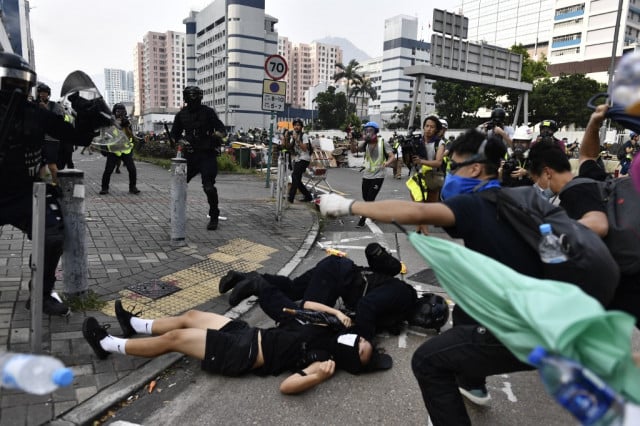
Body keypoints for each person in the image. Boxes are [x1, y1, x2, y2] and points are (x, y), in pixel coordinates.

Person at [316, 129, 615, 425]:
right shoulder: (521, 197)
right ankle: (472, 383)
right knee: (465, 313)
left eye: (453, 167)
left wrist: (348, 205)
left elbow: (415, 212)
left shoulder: (473, 204)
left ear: (474, 169)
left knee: (427, 361)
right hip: (563, 322)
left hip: (526, 331)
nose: (450, 175)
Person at [83, 286, 391, 394]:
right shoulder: (335, 330)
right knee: (191, 315)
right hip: (249, 334)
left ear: (355, 363)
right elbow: (307, 306)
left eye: (363, 353)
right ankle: (135, 323)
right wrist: (337, 316)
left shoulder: (327, 362)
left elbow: (287, 387)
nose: (362, 345)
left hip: (241, 355)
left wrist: (315, 378)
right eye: (364, 344)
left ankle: (107, 344)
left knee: (176, 338)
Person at [0, 52, 102, 316]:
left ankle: (42, 293)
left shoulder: (34, 113)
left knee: (53, 235)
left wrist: (91, 117)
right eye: (11, 82)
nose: (16, 89)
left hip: (27, 191)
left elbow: (74, 135)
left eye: (21, 83)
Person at [528, 106, 640, 328]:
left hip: (629, 278)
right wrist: (594, 121)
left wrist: (550, 234)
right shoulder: (593, 179)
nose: (536, 186)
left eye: (535, 178)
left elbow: (598, 224)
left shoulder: (573, 190)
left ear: (547, 172)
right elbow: (588, 155)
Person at [219, 242, 418, 339]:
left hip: (336, 267)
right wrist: (362, 337)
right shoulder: (403, 295)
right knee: (307, 318)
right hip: (337, 276)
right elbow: (367, 306)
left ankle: (242, 277)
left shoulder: (401, 302)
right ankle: (256, 285)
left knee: (293, 288)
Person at [170, 86, 226, 230]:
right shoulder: (181, 115)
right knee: (179, 186)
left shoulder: (208, 112)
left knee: (209, 187)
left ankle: (214, 216)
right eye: (190, 98)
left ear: (200, 97)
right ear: (186, 99)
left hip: (207, 154)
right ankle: (177, 214)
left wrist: (218, 135)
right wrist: (180, 141)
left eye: (195, 97)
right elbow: (174, 135)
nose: (193, 101)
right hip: (189, 155)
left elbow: (221, 129)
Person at [356, 121, 394, 227]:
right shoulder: (365, 143)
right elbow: (354, 150)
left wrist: (387, 163)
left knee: (370, 198)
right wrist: (351, 139)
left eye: (370, 131)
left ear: (376, 132)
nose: (368, 133)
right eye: (366, 131)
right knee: (365, 196)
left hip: (379, 174)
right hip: (367, 174)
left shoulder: (383, 142)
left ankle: (362, 219)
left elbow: (392, 156)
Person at [411, 115, 445, 234]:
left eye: (432, 127)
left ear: (436, 129)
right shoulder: (415, 141)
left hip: (432, 178)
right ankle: (424, 233)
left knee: (429, 208)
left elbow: (438, 162)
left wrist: (421, 161)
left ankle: (419, 230)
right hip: (416, 178)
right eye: (427, 126)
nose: (429, 129)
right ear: (423, 127)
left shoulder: (439, 143)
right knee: (418, 205)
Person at [99, 103, 140, 195]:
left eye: (122, 111)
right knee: (108, 170)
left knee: (132, 169)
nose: (120, 113)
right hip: (113, 150)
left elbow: (131, 136)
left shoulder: (127, 122)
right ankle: (104, 188)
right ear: (114, 112)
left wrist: (126, 126)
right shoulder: (109, 122)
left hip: (125, 149)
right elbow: (104, 136)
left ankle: (133, 187)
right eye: (118, 111)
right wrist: (103, 148)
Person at [35, 83, 66, 185]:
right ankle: (41, 186)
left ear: (48, 94)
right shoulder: (35, 105)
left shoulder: (55, 106)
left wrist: (46, 110)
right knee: (40, 165)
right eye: (40, 93)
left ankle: (56, 186)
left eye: (44, 93)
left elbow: (59, 122)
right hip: (39, 139)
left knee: (52, 166)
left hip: (52, 140)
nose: (42, 95)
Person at [284, 117, 313, 204]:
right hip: (297, 159)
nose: (296, 127)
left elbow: (304, 149)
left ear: (301, 127)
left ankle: (291, 198)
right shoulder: (293, 136)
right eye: (295, 125)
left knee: (294, 176)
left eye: (298, 125)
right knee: (297, 180)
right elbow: (288, 147)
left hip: (304, 159)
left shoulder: (304, 136)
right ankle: (308, 196)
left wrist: (297, 139)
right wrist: (286, 138)